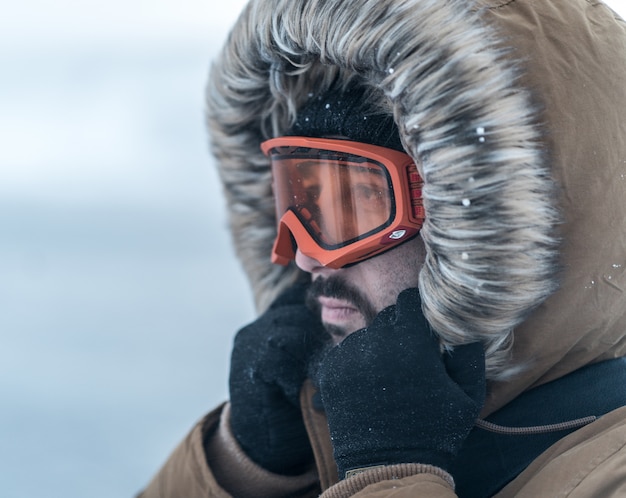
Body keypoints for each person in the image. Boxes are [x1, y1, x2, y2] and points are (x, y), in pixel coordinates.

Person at [138, 0, 626, 496]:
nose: (304, 257)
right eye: (301, 199)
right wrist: (240, 468)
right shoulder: (334, 435)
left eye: (357, 202)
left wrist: (388, 476)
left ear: (490, 224)